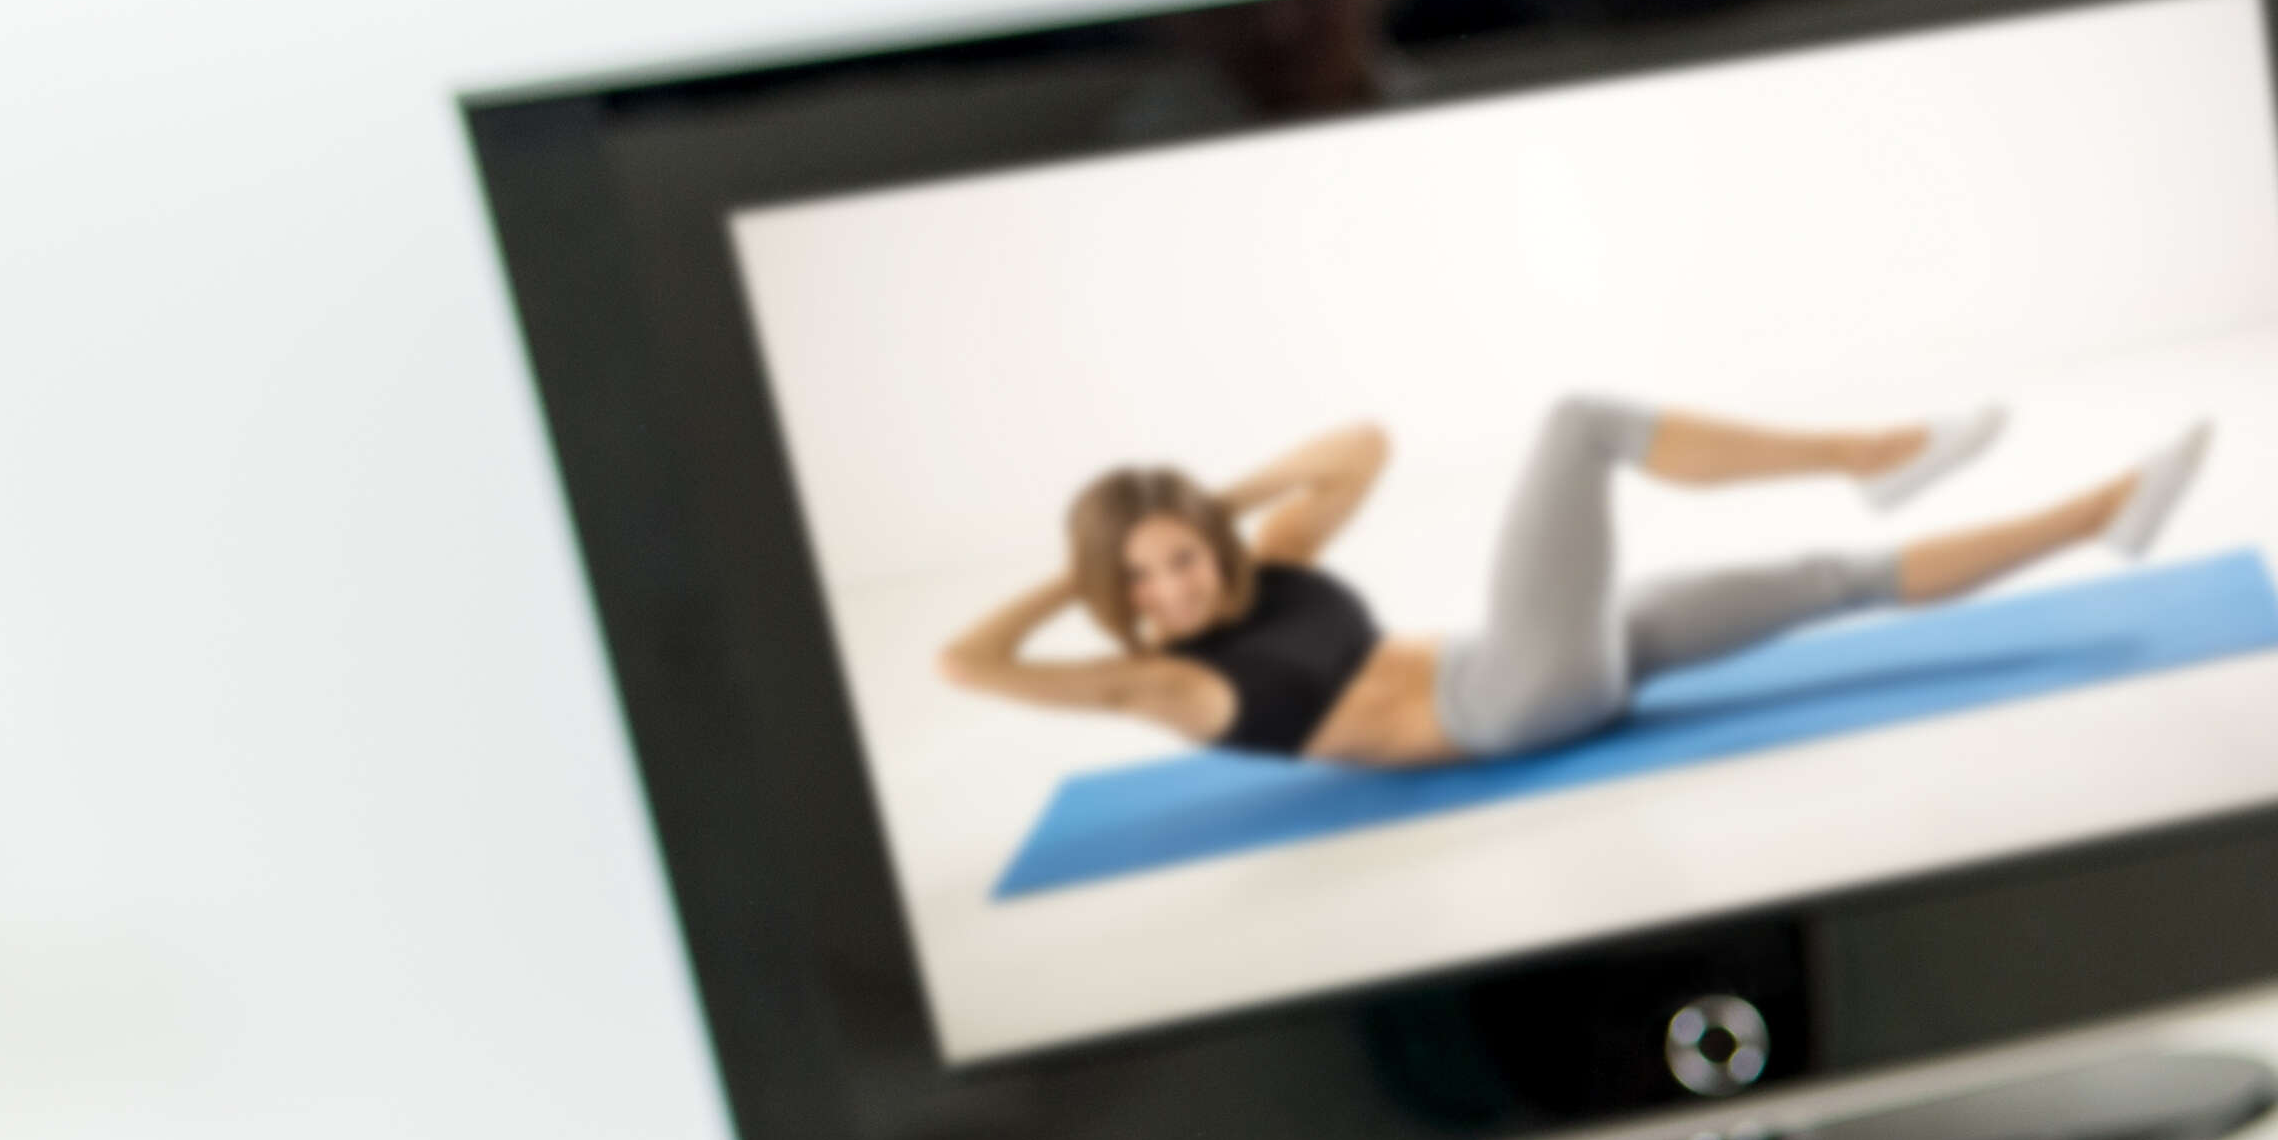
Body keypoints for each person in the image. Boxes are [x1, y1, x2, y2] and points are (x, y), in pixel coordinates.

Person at [932, 393, 2211, 768]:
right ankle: (1873, 452)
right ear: (1118, 597)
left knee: (1834, 576)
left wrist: (1214, 501)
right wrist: (1078, 580)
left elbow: (1361, 445)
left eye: (1184, 555)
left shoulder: (1267, 568)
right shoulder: (1156, 683)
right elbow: (964, 663)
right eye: (1144, 577)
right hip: (1509, 701)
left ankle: (2106, 512)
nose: (1176, 585)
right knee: (1579, 426)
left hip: (1549, 659)